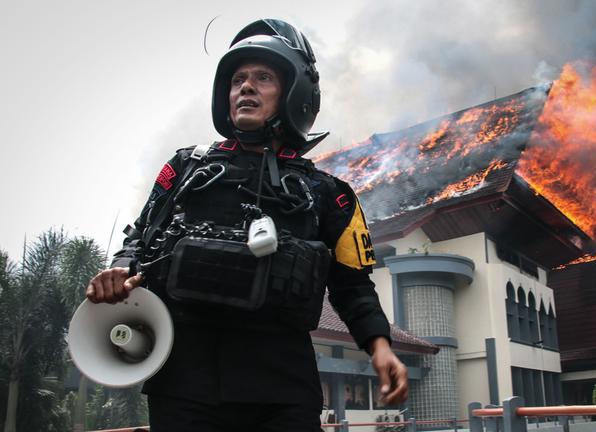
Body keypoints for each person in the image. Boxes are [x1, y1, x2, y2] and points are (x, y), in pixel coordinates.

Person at [85, 18, 408, 431]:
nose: (246, 88)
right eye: (238, 79)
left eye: (263, 77)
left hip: (283, 391)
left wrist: (379, 346)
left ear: (295, 94)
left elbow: (353, 286)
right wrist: (119, 272)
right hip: (185, 386)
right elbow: (140, 240)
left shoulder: (331, 194)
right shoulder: (186, 168)